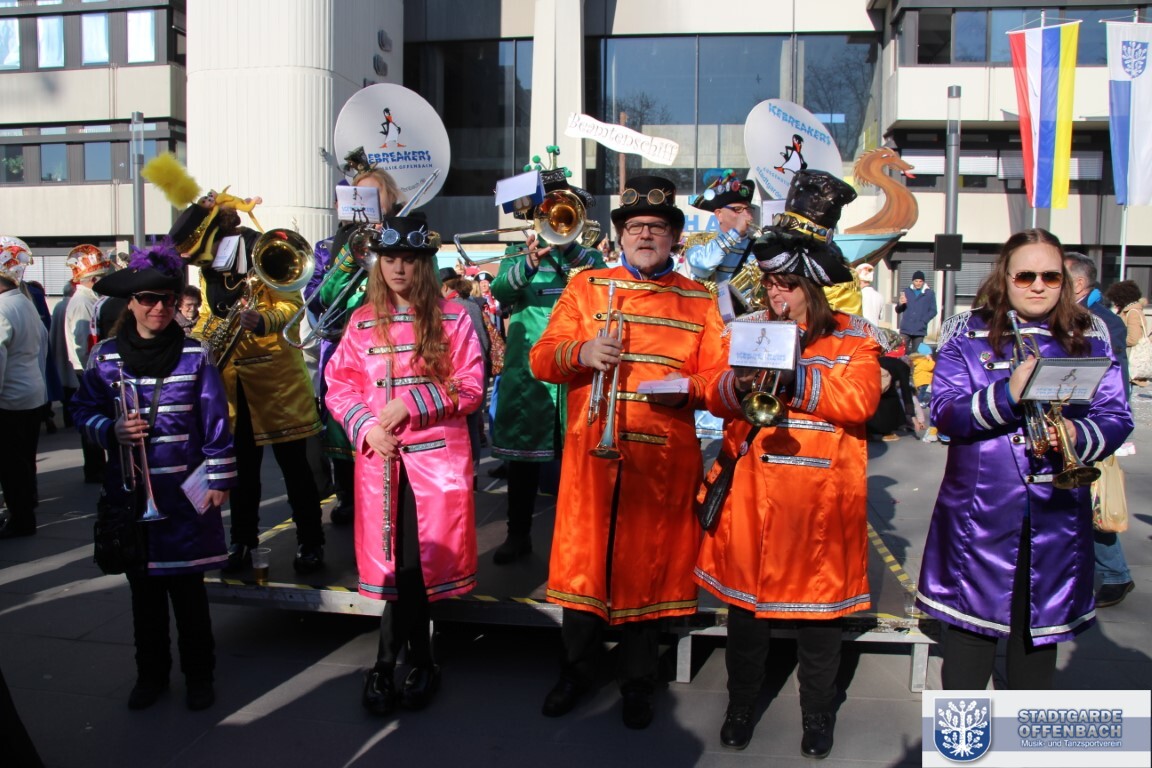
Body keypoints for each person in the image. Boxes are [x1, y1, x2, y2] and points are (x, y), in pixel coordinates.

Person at [529, 175, 727, 730]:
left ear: (674, 238)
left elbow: (718, 380)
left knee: (649, 567)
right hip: (593, 455)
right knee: (585, 566)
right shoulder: (586, 286)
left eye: (656, 228)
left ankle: (638, 681)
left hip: (662, 461)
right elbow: (541, 358)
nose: (645, 235)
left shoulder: (699, 299)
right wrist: (582, 351)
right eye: (635, 226)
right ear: (620, 235)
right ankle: (576, 671)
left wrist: (688, 389)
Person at [694, 169, 881, 756]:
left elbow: (860, 402)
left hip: (820, 504)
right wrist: (735, 384)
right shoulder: (747, 328)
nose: (777, 296)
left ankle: (817, 714)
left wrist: (794, 378)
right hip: (752, 497)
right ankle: (741, 704)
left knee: (819, 623)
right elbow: (710, 390)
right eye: (773, 284)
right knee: (745, 618)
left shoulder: (854, 338)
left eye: (789, 286)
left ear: (814, 289)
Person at [916, 228, 1133, 690]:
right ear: (1005, 277)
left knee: (1039, 636)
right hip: (978, 513)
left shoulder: (1090, 334)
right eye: (1025, 276)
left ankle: (1022, 731)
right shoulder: (965, 332)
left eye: (1050, 276)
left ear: (1065, 282)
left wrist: (1077, 434)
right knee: (969, 637)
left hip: (1057, 512)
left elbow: (1116, 415)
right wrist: (1008, 393)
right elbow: (946, 413)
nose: (1038, 286)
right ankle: (964, 738)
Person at [325, 215, 484, 716]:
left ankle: (401, 661)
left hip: (436, 466)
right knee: (394, 564)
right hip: (381, 461)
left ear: (424, 264)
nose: (397, 268)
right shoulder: (359, 321)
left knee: (416, 567)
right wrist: (366, 427)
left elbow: (471, 387)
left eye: (408, 260)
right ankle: (406, 662)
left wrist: (411, 404)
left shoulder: (455, 317)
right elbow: (339, 385)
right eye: (389, 259)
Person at [70, 240, 236, 710]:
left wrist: (219, 480)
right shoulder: (105, 358)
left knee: (189, 595)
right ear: (131, 303)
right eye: (147, 299)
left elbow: (216, 422)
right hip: (131, 494)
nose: (158, 308)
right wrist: (112, 429)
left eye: (166, 298)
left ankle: (200, 677)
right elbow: (82, 410)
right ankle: (151, 677)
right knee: (144, 596)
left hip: (185, 496)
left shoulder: (196, 354)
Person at [162, 178, 326, 575]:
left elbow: (291, 304)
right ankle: (242, 540)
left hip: (276, 380)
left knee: (295, 469)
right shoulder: (209, 267)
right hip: (231, 381)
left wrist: (263, 319)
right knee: (241, 471)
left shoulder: (261, 249)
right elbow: (207, 311)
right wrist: (201, 338)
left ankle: (311, 541)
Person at [488, 168, 604, 563]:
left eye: (560, 208)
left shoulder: (586, 253)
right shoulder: (517, 251)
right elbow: (500, 291)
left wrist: (566, 246)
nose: (554, 214)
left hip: (575, 369)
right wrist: (529, 263)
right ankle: (517, 535)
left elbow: (599, 281)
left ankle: (580, 543)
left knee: (580, 462)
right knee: (522, 463)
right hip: (530, 374)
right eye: (547, 208)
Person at [314, 164, 404, 524]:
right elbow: (326, 297)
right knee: (343, 423)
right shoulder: (339, 243)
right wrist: (351, 255)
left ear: (390, 198)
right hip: (351, 345)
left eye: (374, 194)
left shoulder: (403, 232)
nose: (367, 202)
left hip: (393, 343)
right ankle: (347, 496)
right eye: (360, 194)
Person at [1064, 252, 1135, 608]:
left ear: (1078, 283)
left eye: (1055, 276)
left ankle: (1116, 574)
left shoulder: (1102, 321)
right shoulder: (1064, 315)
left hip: (1086, 429)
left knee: (1092, 505)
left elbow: (1114, 383)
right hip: (1064, 426)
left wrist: (1103, 432)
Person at [0, 239, 49, 539]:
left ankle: (21, 519)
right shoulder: (24, 302)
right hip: (32, 393)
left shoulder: (2, 308)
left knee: (11, 465)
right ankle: (26, 506)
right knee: (25, 459)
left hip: (11, 399)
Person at [64, 244, 117, 483]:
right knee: (91, 415)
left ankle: (96, 466)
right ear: (94, 279)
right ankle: (94, 468)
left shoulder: (86, 299)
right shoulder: (83, 302)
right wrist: (93, 368)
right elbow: (83, 341)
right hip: (86, 367)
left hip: (87, 366)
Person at [439, 267, 491, 473]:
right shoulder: (472, 305)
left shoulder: (447, 307)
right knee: (472, 427)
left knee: (457, 428)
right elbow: (484, 342)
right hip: (478, 371)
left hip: (456, 373)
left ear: (444, 287)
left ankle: (460, 474)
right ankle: (473, 475)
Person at [1105, 280, 1148, 385]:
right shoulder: (1127, 311)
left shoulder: (1132, 313)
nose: (1115, 303)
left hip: (1129, 358)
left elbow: (1133, 338)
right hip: (1125, 357)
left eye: (1116, 300)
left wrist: (1115, 342)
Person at [896, 269, 937, 352]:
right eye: (916, 281)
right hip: (906, 329)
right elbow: (898, 310)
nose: (918, 283)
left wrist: (924, 320)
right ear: (913, 281)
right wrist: (900, 303)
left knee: (917, 355)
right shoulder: (906, 292)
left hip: (919, 329)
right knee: (901, 352)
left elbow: (933, 311)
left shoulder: (929, 293)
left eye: (920, 281)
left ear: (923, 282)